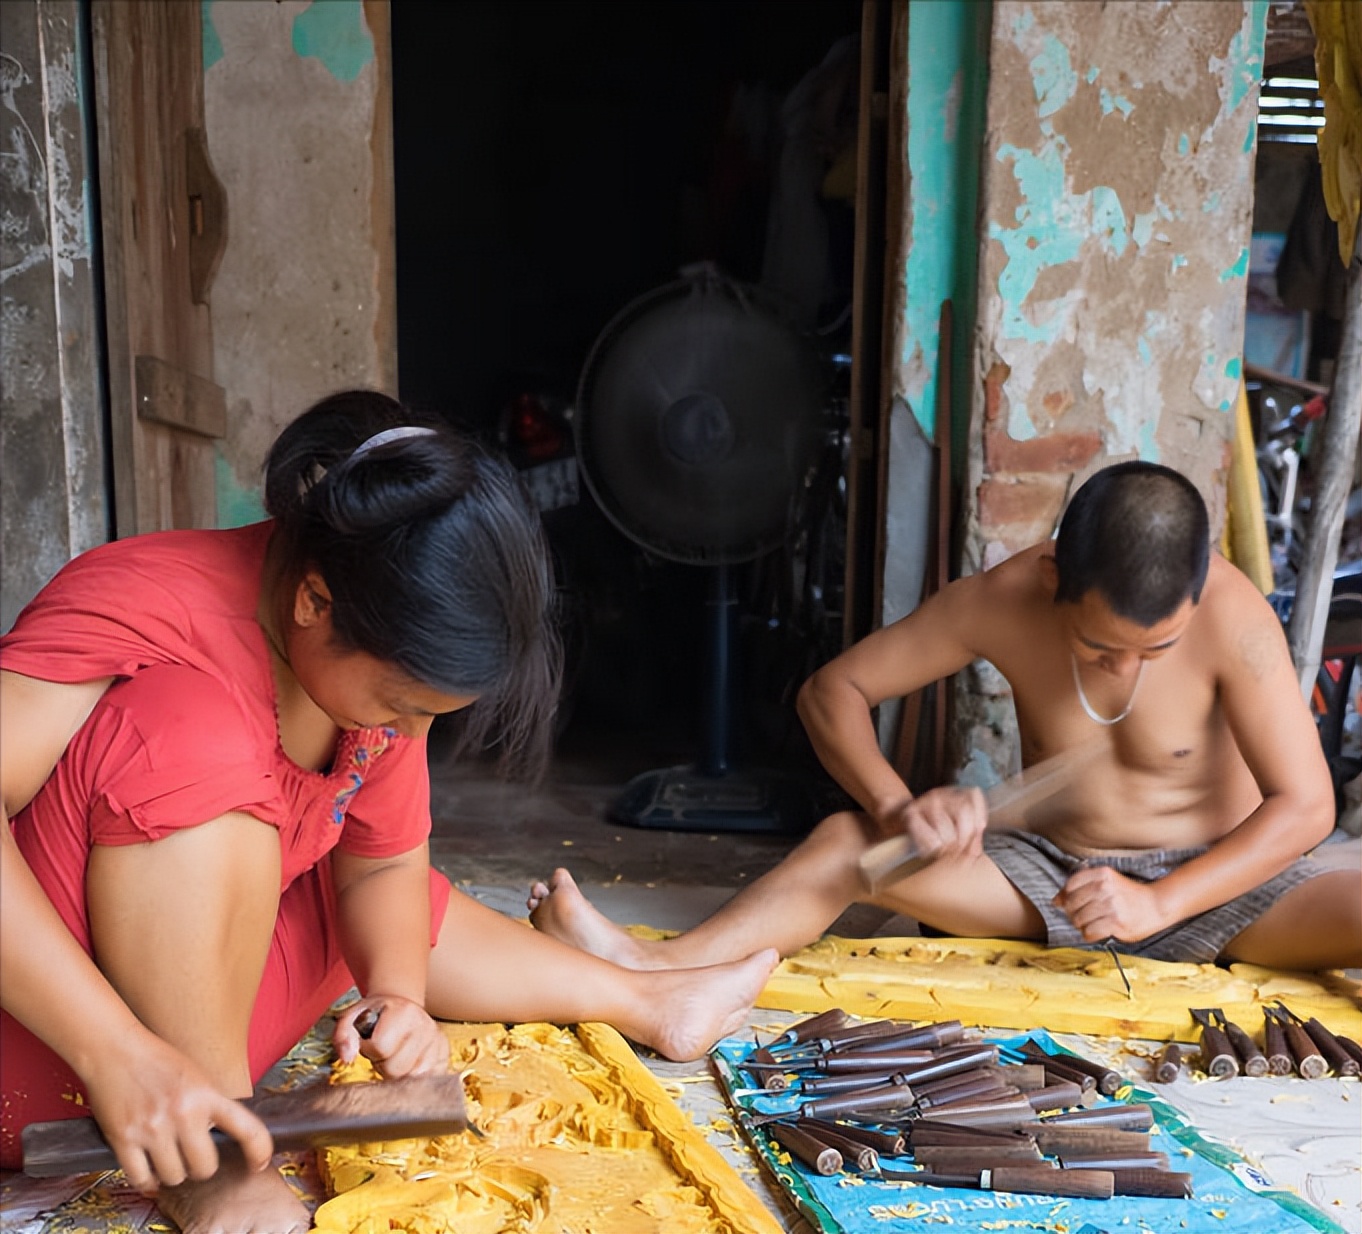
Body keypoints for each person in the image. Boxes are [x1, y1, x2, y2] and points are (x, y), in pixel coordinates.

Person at [0, 390, 778, 1234]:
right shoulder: (144, 601)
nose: (411, 733)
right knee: (190, 742)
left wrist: (399, 995)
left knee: (373, 892)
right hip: (59, 1064)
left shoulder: (367, 650)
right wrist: (116, 1055)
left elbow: (385, 865)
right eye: (403, 701)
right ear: (313, 600)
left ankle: (645, 1001)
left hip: (190, 1027)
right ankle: (213, 1167)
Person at [530, 461, 1362, 978]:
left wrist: (1163, 903)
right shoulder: (1005, 597)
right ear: (1050, 579)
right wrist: (901, 807)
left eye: (1157, 649)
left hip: (1224, 884)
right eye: (1101, 646)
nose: (1124, 671)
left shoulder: (1234, 614)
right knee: (850, 844)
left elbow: (1306, 807)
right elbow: (832, 693)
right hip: (1055, 882)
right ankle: (650, 966)